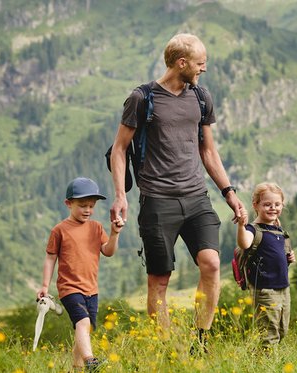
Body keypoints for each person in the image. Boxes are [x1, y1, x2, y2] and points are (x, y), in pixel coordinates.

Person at [108, 33, 246, 350]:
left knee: (211, 263)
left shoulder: (200, 97)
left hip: (197, 198)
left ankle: (202, 340)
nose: (204, 69)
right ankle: (166, 349)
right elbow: (119, 149)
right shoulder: (142, 99)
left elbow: (208, 151)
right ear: (181, 63)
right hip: (157, 201)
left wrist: (229, 192)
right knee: (159, 280)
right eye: (200, 63)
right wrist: (120, 195)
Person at [37, 177, 124, 372]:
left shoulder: (96, 228)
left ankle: (76, 366)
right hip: (69, 288)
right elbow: (50, 258)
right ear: (68, 204)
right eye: (82, 205)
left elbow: (108, 251)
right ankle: (90, 361)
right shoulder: (59, 230)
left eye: (91, 206)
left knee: (84, 328)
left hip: (91, 289)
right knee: (82, 322)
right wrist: (44, 286)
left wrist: (115, 234)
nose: (88, 210)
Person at [236, 182, 296, 348]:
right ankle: (266, 364)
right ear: (255, 205)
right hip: (265, 289)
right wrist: (241, 225)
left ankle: (257, 361)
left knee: (282, 331)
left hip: (284, 288)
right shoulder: (252, 230)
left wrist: (288, 258)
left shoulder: (279, 231)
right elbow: (244, 244)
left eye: (277, 204)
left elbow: (277, 256)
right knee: (269, 334)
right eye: (267, 204)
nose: (273, 208)